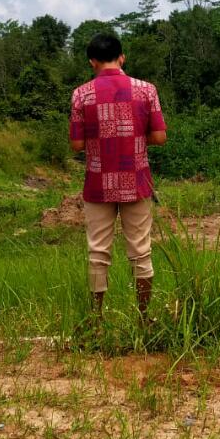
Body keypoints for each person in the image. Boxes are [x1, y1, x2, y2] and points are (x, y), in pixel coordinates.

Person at [70, 33, 167, 323]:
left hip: (98, 183)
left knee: (98, 251)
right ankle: (143, 317)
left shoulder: (81, 94)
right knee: (140, 250)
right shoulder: (146, 90)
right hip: (136, 181)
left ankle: (96, 320)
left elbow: (76, 145)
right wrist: (132, 136)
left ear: (92, 62)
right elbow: (160, 137)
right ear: (122, 57)